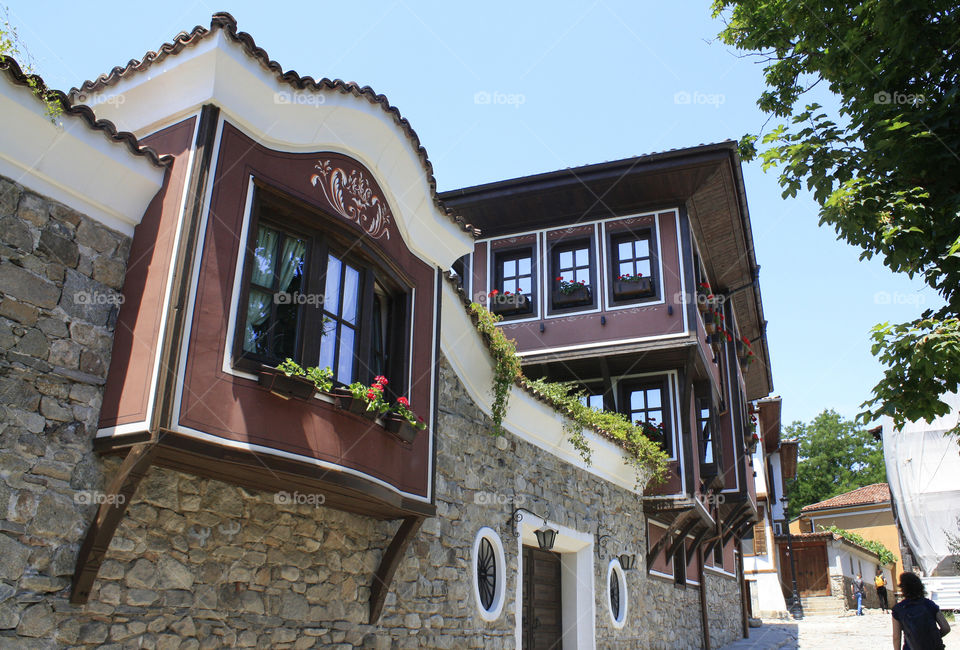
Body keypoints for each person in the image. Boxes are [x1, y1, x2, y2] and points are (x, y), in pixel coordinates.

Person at [891, 572, 951, 650]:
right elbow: (946, 628)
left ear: (903, 588)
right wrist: (932, 637)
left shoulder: (898, 609)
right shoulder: (929, 604)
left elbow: (896, 637)